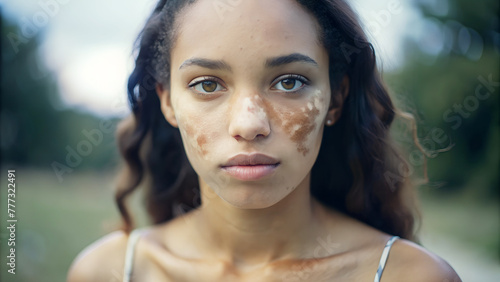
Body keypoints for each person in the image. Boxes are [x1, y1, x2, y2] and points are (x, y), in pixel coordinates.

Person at [67, 0, 461, 281]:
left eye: (289, 82)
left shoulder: (411, 276)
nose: (249, 123)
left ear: (336, 98)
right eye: (207, 84)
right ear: (168, 101)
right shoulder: (109, 272)